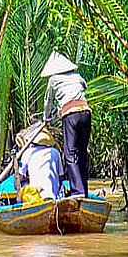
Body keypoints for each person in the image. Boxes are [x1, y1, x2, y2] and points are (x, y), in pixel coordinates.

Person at [41, 51, 91, 198]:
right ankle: (84, 191)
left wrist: (46, 118)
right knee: (81, 153)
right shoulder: (77, 76)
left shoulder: (54, 79)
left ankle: (78, 192)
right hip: (86, 113)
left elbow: (48, 101)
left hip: (71, 116)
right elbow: (81, 89)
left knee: (70, 154)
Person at [14, 124, 64, 201]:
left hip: (36, 196)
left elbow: (19, 177)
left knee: (24, 185)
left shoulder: (28, 153)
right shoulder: (55, 152)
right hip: (53, 195)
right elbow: (61, 176)